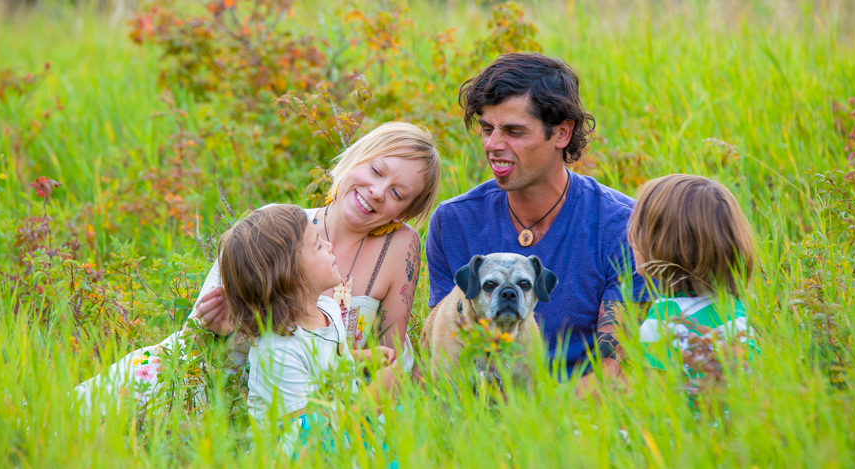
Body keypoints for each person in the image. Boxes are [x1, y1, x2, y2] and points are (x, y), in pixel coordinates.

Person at [75, 122, 440, 411]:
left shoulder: (400, 248)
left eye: (397, 193)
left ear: (405, 211)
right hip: (223, 379)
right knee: (83, 416)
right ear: (357, 158)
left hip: (310, 403)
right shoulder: (277, 227)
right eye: (376, 171)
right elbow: (195, 340)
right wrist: (215, 331)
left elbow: (390, 361)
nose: (378, 191)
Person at [425, 53, 648, 378]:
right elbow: (444, 350)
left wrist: (539, 421)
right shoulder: (453, 222)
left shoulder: (623, 225)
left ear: (562, 134)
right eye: (487, 128)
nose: (493, 144)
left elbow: (616, 367)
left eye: (514, 132)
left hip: (582, 409)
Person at [217, 204, 399, 429]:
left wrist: (363, 357)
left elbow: (325, 358)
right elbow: (310, 432)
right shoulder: (277, 352)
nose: (330, 246)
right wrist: (374, 394)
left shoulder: (326, 308)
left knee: (402, 416)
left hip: (340, 427)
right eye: (318, 245)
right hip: (298, 449)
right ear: (291, 274)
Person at [627, 174, 756, 370]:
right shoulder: (735, 311)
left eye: (638, 230)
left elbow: (657, 395)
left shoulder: (663, 322)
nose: (631, 240)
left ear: (665, 244)